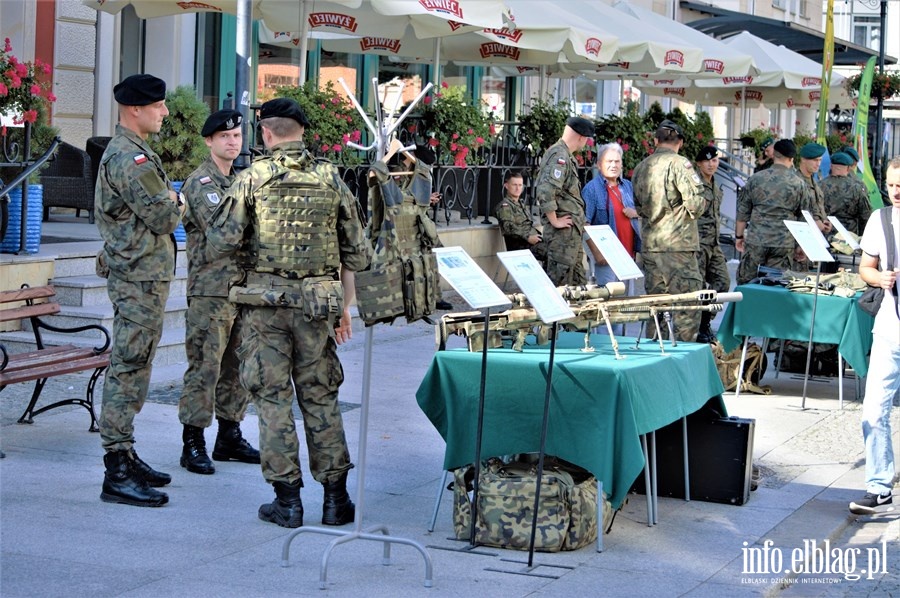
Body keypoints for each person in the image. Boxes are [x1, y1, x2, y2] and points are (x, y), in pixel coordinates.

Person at [206, 98, 370, 528]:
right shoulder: (331, 177)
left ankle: (288, 501)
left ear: (266, 133)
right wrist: (345, 309)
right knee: (320, 396)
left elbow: (219, 241)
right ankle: (336, 500)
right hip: (318, 307)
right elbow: (358, 252)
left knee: (273, 399)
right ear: (303, 132)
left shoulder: (252, 178)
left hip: (264, 309)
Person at [94, 74, 183, 507]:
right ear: (135, 109)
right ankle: (116, 469)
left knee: (138, 364)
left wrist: (170, 199)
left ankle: (126, 453)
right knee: (129, 366)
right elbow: (164, 216)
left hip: (143, 277)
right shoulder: (130, 159)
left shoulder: (138, 153)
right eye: (159, 105)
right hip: (136, 279)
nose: (165, 112)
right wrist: (179, 201)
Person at [177, 109, 259, 475]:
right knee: (205, 368)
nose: (232, 141)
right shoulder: (201, 184)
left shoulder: (240, 181)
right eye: (225, 136)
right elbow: (225, 233)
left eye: (237, 136)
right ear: (209, 140)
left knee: (238, 368)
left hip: (242, 290)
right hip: (211, 292)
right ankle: (192, 441)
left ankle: (229, 434)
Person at [848, 156, 900, 515]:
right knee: (874, 408)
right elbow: (865, 267)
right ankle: (879, 486)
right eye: (892, 185)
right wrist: (878, 278)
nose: (896, 192)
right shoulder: (880, 219)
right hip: (890, 326)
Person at [631, 119, 706, 342]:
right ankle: (683, 358)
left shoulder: (641, 167)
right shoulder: (681, 164)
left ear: (656, 141)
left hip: (652, 245)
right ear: (680, 142)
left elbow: (638, 206)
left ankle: (655, 355)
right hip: (678, 247)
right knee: (687, 306)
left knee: (656, 307)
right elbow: (696, 204)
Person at [735, 140, 816, 284]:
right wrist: (800, 246)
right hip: (783, 244)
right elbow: (804, 219)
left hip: (756, 241)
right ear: (792, 159)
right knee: (777, 285)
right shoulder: (799, 184)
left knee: (747, 283)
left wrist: (739, 236)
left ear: (774, 155)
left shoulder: (755, 179)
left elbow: (742, 213)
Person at [535, 116, 594, 286]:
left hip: (570, 235)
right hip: (562, 237)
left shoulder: (564, 154)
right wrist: (555, 220)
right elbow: (546, 190)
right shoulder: (560, 155)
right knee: (560, 285)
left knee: (576, 284)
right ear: (581, 137)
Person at [581, 142, 641, 287]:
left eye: (617, 161)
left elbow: (644, 210)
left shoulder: (628, 186)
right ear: (599, 164)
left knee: (627, 304)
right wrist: (597, 254)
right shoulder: (591, 189)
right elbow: (584, 224)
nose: (613, 165)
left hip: (628, 258)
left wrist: (636, 213)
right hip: (607, 259)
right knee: (609, 301)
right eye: (609, 161)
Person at [694, 146, 731, 342]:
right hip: (697, 243)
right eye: (707, 161)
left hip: (714, 244)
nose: (711, 164)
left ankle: (706, 319)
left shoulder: (717, 185)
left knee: (723, 282)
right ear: (699, 163)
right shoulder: (693, 184)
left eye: (715, 160)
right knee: (699, 287)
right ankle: (699, 327)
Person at [494, 170, 547, 263]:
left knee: (559, 249)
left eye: (520, 185)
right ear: (506, 185)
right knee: (554, 254)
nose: (518, 188)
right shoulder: (505, 206)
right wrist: (528, 237)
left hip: (532, 242)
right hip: (520, 245)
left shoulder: (521, 204)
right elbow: (508, 227)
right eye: (514, 185)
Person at [820, 151, 871, 236]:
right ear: (848, 169)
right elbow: (865, 215)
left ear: (831, 166)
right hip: (849, 237)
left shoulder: (819, 186)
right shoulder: (856, 187)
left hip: (825, 234)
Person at [796, 142, 832, 235]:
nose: (818, 164)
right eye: (815, 160)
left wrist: (824, 221)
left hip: (817, 235)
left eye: (820, 160)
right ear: (803, 159)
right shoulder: (795, 182)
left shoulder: (815, 183)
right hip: (802, 235)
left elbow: (818, 207)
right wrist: (814, 223)